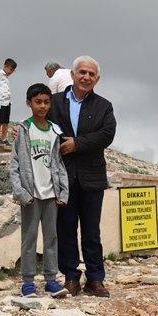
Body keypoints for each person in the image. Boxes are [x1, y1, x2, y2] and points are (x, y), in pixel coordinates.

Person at [47, 56, 116, 297]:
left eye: (91, 74)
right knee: (65, 228)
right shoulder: (54, 102)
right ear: (73, 74)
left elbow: (107, 135)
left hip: (92, 177)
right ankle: (71, 277)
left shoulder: (104, 106)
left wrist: (77, 143)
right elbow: (42, 128)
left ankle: (96, 279)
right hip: (63, 176)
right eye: (82, 72)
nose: (86, 77)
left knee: (91, 231)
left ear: (97, 79)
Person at [9, 83, 70, 299]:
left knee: (51, 237)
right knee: (29, 239)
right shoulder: (23, 129)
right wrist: (21, 193)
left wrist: (63, 192)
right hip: (31, 196)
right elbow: (14, 164)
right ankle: (27, 282)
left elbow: (58, 163)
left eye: (46, 102)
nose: (42, 106)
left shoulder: (55, 130)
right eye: (38, 102)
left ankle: (51, 280)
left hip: (51, 195)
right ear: (29, 103)